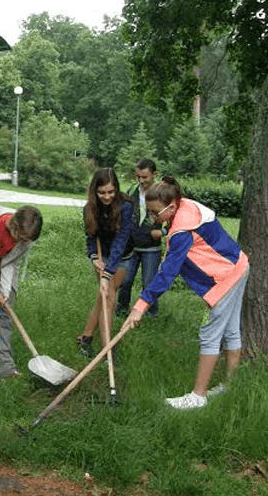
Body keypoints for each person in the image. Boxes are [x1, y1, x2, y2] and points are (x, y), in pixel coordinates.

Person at [125, 176, 249, 409]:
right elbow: (177, 233)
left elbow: (167, 274)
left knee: (210, 334)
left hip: (224, 277)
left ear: (171, 206)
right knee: (231, 330)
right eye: (150, 213)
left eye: (155, 213)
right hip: (239, 265)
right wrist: (163, 232)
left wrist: (140, 306)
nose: (152, 218)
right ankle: (231, 387)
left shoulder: (183, 230)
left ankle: (198, 396)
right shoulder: (183, 205)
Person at [77, 168, 134, 358]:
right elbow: (91, 236)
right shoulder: (89, 208)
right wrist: (94, 257)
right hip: (102, 257)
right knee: (108, 298)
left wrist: (109, 271)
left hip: (123, 256)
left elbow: (121, 239)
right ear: (95, 191)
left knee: (104, 296)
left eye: (111, 192)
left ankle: (85, 337)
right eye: (102, 192)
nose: (107, 196)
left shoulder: (126, 205)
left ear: (116, 189)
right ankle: (107, 348)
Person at [0, 205, 43, 378]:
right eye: (21, 237)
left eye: (27, 239)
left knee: (4, 314)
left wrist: (5, 292)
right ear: (14, 225)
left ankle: (5, 367)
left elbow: (10, 263)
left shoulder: (26, 239)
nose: (23, 242)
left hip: (3, 269)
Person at [116, 158, 164, 317]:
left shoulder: (162, 193)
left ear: (154, 174)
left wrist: (162, 233)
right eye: (138, 177)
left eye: (145, 177)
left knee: (148, 283)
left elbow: (175, 220)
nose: (141, 180)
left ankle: (151, 314)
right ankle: (121, 311)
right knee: (125, 281)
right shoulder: (131, 191)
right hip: (131, 247)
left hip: (151, 248)